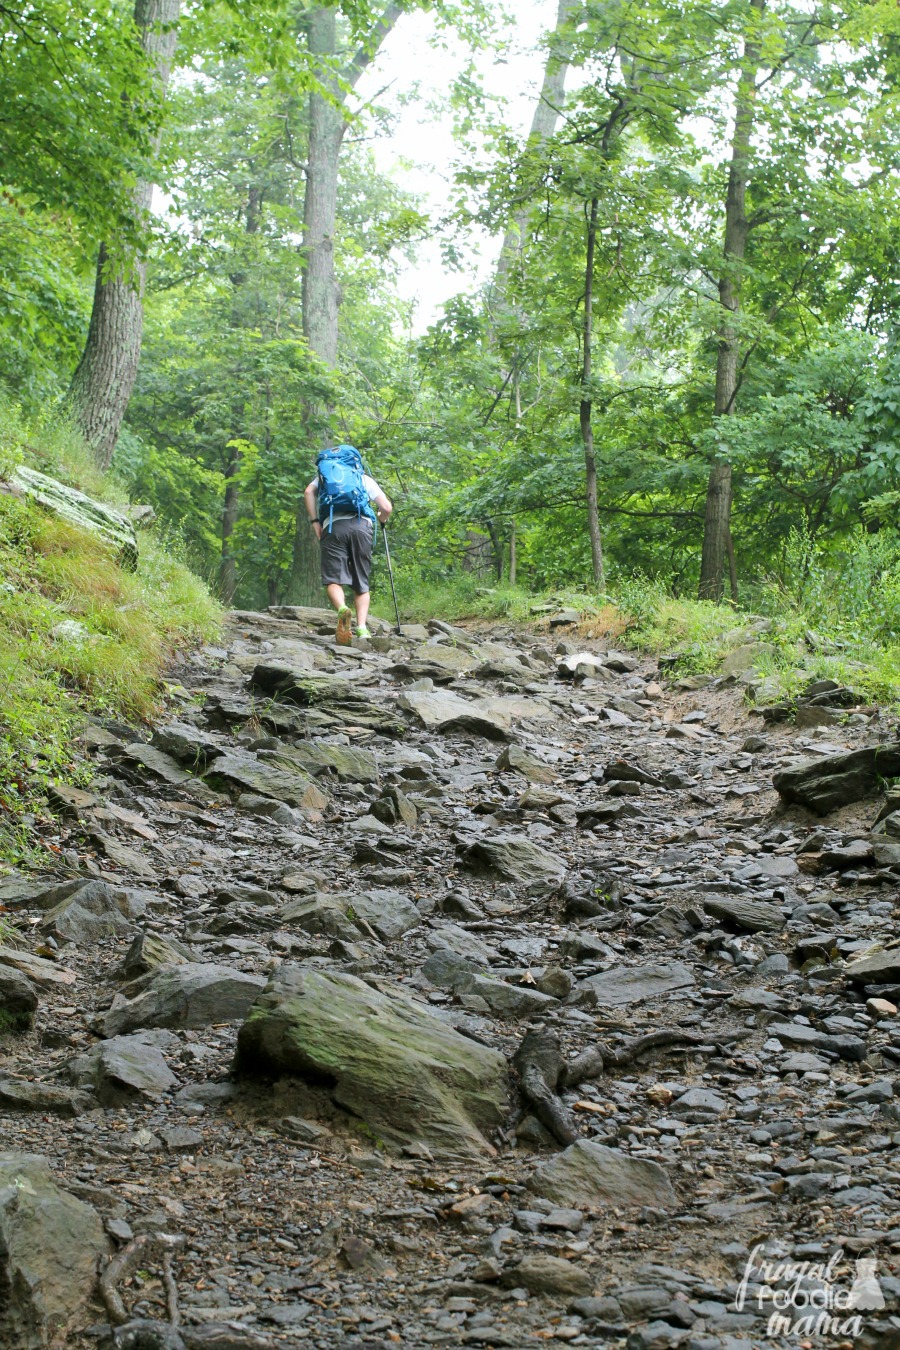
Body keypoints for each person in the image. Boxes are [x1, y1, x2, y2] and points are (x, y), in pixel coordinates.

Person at [304, 452, 392, 644]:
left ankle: (343, 609)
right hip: (361, 527)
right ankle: (362, 628)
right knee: (361, 581)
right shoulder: (363, 478)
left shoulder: (324, 477)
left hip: (333, 526)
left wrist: (315, 521)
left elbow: (308, 492)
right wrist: (382, 518)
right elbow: (386, 508)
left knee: (333, 579)